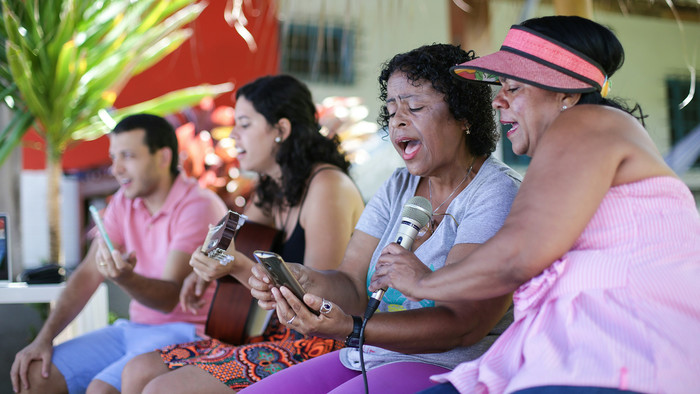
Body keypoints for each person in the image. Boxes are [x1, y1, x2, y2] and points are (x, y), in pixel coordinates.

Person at [370, 16, 700, 394]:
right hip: (571, 355)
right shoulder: (583, 139)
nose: (497, 99)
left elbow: (517, 254)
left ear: (567, 95)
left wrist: (424, 282)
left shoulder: (585, 122)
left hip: (623, 355)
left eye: (513, 86)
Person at [240, 44, 522, 394]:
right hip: (369, 356)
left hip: (449, 368)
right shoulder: (398, 185)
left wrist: (352, 328)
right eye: (391, 110)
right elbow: (354, 287)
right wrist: (303, 281)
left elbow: (462, 324)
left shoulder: (495, 193)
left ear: (464, 117)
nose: (398, 120)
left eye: (415, 107)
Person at [120, 74, 365, 393]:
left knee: (163, 390)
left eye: (245, 124)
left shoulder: (327, 187)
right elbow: (234, 244)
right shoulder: (272, 188)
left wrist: (233, 265)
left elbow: (317, 303)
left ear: (281, 130)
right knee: (137, 371)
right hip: (268, 337)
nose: (233, 134)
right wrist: (208, 272)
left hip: (318, 345)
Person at [10, 114, 229, 394]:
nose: (116, 169)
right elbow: (89, 273)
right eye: (114, 157)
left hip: (186, 333)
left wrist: (126, 279)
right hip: (134, 330)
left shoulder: (198, 206)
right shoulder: (125, 202)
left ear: (163, 157)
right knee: (33, 376)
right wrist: (44, 339)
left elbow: (168, 298)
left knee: (101, 390)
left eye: (128, 156)